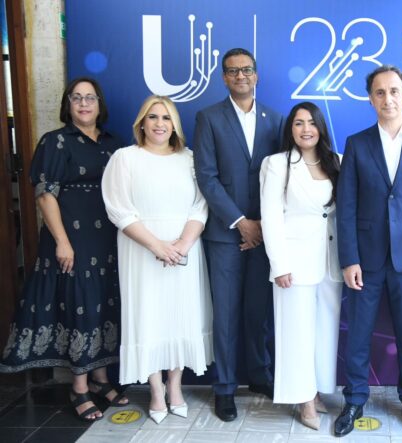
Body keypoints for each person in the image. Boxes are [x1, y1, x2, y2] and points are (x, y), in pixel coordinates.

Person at [0, 77, 128, 421]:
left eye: (90, 98)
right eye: (77, 98)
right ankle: (79, 387)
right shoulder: (55, 142)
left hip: (108, 240)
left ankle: (101, 379)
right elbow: (45, 195)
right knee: (80, 306)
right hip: (71, 239)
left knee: (103, 304)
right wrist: (62, 241)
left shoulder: (113, 143)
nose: (84, 104)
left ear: (99, 104)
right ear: (67, 104)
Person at [334, 65, 402, 438]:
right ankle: (354, 400)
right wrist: (349, 258)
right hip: (365, 259)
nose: (388, 99)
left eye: (394, 91)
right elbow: (346, 207)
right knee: (358, 335)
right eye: (380, 92)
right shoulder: (357, 143)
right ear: (370, 99)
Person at [101, 95, 213, 424]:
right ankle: (155, 389)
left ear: (175, 125)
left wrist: (182, 244)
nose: (160, 124)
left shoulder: (190, 159)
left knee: (180, 316)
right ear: (142, 123)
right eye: (153, 117)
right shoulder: (125, 158)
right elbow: (119, 210)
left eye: (166, 117)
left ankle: (174, 386)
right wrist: (157, 247)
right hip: (141, 251)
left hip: (184, 251)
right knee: (147, 316)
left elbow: (200, 206)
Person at [193, 47, 284, 422]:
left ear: (256, 75)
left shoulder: (275, 120)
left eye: (246, 70)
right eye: (232, 71)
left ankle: (260, 376)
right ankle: (225, 388)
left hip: (265, 234)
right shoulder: (209, 117)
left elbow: (282, 176)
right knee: (226, 314)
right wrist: (240, 222)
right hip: (225, 234)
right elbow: (207, 177)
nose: (240, 76)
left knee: (259, 312)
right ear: (224, 78)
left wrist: (260, 225)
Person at [260, 102, 342, 430]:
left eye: (311, 122)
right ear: (290, 129)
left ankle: (317, 390)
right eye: (298, 123)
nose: (306, 129)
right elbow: (270, 216)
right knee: (296, 332)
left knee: (324, 332)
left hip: (330, 261)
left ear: (321, 127)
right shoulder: (277, 164)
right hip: (293, 262)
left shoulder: (336, 161)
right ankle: (303, 400)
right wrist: (279, 264)